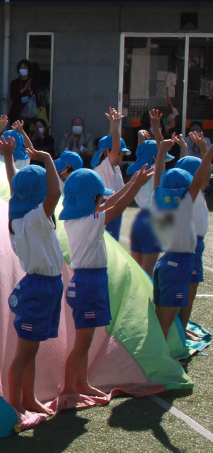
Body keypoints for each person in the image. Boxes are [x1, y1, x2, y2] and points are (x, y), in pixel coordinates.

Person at [60, 151, 153, 399]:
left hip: (91, 280)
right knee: (82, 343)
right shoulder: (88, 221)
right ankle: (70, 389)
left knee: (85, 341)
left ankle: (82, 384)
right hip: (88, 282)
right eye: (99, 196)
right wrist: (136, 185)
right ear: (91, 199)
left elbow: (110, 204)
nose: (103, 200)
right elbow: (117, 206)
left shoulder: (80, 217)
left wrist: (134, 182)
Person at [0, 135, 63, 416]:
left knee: (30, 350)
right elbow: (55, 193)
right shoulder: (35, 218)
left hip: (45, 286)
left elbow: (15, 189)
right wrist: (46, 158)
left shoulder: (21, 215)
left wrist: (10, 158)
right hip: (40, 287)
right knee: (24, 353)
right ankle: (15, 405)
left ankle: (29, 398)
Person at [150, 137, 213, 342]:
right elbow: (199, 180)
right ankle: (164, 359)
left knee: (161, 315)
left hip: (166, 260)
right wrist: (208, 150)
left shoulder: (158, 199)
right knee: (165, 321)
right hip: (180, 262)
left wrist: (161, 153)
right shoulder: (186, 203)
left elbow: (158, 179)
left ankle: (162, 351)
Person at [169, 142, 209, 341]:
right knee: (188, 290)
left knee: (187, 291)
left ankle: (180, 327)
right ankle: (180, 329)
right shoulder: (191, 194)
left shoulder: (186, 193)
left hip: (193, 246)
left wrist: (188, 149)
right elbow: (203, 172)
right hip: (191, 247)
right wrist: (206, 150)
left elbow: (198, 170)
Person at [128, 116, 170, 276]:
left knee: (138, 269)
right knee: (149, 271)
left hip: (140, 220)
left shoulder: (139, 171)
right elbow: (160, 153)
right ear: (156, 157)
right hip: (154, 221)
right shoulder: (155, 171)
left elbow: (142, 154)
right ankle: (151, 300)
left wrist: (140, 137)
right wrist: (156, 128)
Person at [91, 109, 130, 241]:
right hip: (107, 205)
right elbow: (115, 144)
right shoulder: (105, 166)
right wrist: (116, 125)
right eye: (119, 153)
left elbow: (109, 142)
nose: (120, 157)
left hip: (111, 205)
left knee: (112, 241)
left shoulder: (112, 166)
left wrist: (113, 125)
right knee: (109, 242)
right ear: (108, 152)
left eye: (122, 155)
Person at [8, 59, 37, 124]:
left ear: (28, 69)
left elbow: (35, 96)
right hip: (16, 113)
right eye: (21, 67)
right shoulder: (14, 82)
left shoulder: (33, 82)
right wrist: (23, 89)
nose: (23, 69)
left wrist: (29, 88)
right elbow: (13, 97)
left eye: (25, 67)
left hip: (29, 113)